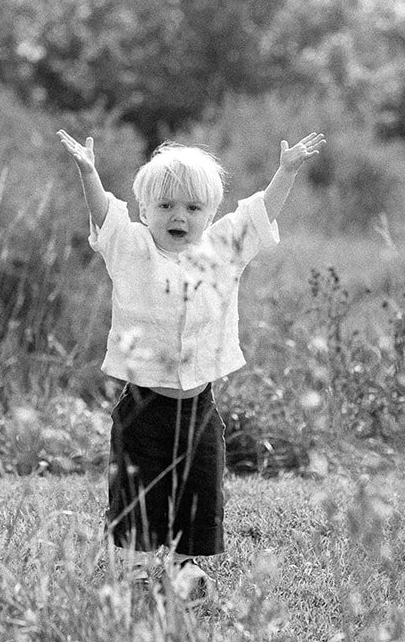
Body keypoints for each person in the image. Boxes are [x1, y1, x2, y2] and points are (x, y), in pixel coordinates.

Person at [56, 128, 325, 602]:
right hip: (143, 407)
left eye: (192, 208)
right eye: (165, 207)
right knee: (138, 492)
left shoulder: (222, 250)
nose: (178, 216)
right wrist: (89, 172)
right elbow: (104, 216)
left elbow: (259, 214)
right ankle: (138, 569)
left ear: (210, 214)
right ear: (145, 211)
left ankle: (182, 566)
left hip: (200, 405)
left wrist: (286, 172)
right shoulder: (132, 248)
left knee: (199, 486)